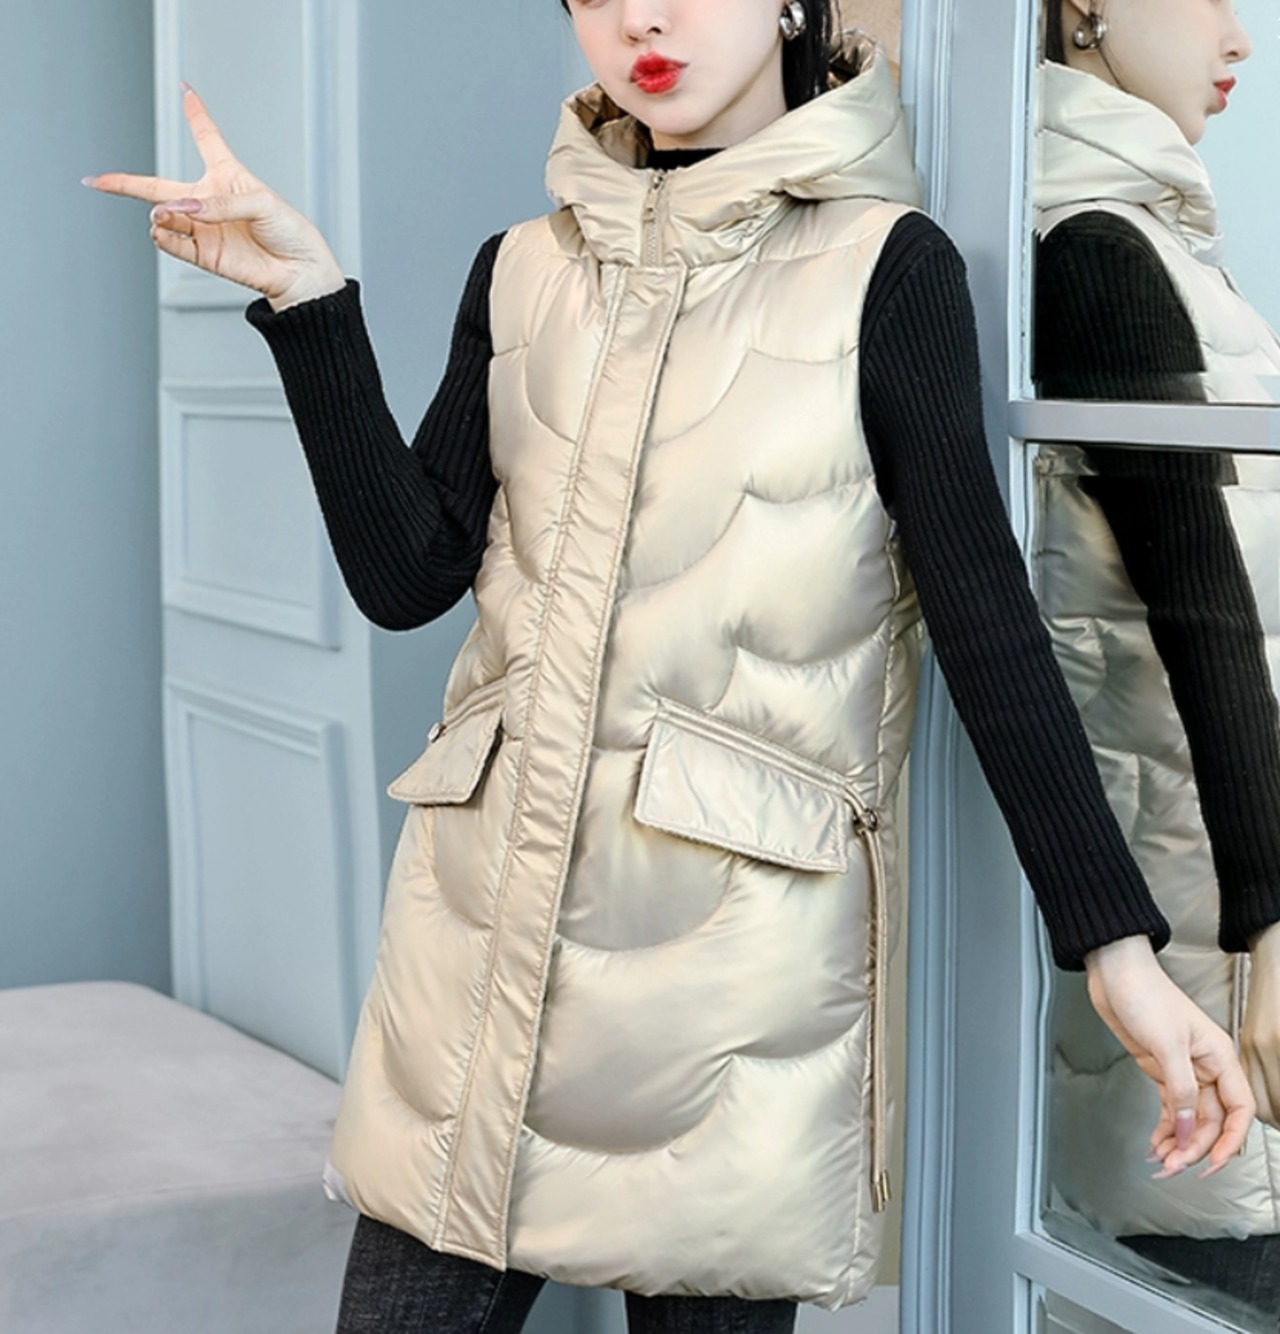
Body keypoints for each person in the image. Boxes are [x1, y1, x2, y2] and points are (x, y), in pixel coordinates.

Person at [87, 2, 1257, 1329]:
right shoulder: (520, 270)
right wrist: (308, 305)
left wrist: (1118, 952)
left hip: (731, 1000)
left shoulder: (886, 267)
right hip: (476, 958)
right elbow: (407, 578)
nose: (642, 16)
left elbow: (987, 625)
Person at [1034, 0, 1280, 1313]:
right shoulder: (1099, 248)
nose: (1240, 39)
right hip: (1203, 944)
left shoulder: (1154, 240)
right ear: (1086, 7)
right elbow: (1204, 610)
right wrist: (1273, 931)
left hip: (1204, 917)